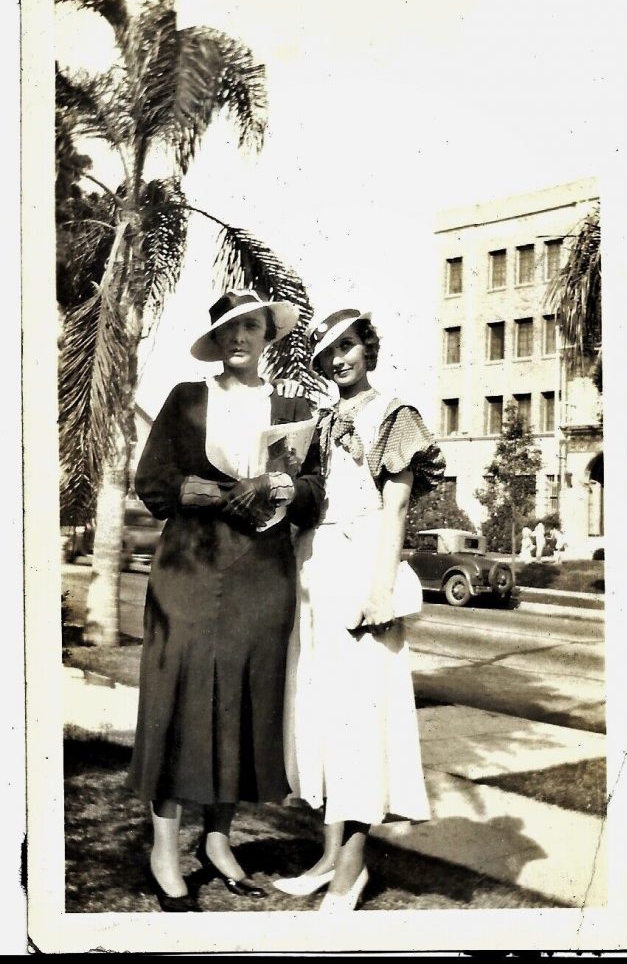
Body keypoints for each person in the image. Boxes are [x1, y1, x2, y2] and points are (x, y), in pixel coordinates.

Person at [126, 289, 323, 911]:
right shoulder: (187, 399)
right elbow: (151, 481)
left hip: (262, 575)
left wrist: (279, 484)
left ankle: (217, 839)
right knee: (179, 691)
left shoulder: (294, 406)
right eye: (231, 328)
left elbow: (319, 491)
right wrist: (207, 493)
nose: (242, 337)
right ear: (217, 338)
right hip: (190, 565)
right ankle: (164, 847)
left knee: (243, 696)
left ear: (269, 334)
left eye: (254, 327)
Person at [274, 307, 445, 911]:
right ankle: (326, 860)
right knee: (324, 719)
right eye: (328, 353)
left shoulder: (395, 416)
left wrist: (379, 592)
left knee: (359, 726)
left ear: (369, 349)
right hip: (319, 571)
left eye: (349, 346)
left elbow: (395, 511)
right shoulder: (323, 422)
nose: (339, 359)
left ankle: (352, 874)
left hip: (364, 570)